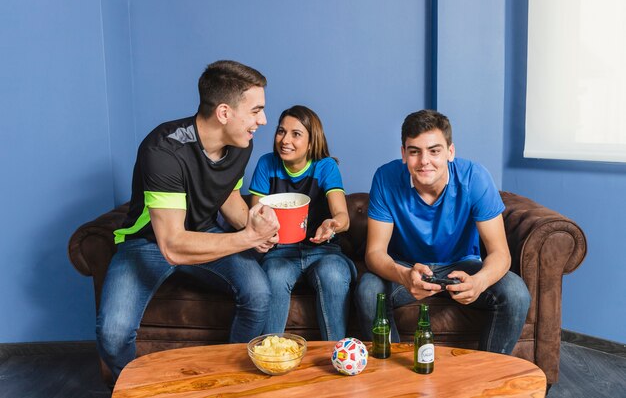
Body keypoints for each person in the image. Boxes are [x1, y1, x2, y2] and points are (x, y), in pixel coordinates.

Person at [96, 60, 280, 380]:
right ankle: (133, 388)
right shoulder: (163, 149)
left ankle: (229, 380)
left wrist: (254, 223)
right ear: (224, 113)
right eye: (255, 111)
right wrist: (247, 237)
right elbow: (173, 245)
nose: (263, 121)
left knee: (259, 294)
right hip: (149, 243)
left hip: (205, 231)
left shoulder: (241, 144)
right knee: (113, 334)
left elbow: (226, 195)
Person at [355, 109, 530, 354]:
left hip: (463, 265)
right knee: (368, 289)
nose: (424, 161)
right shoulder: (385, 177)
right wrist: (404, 275)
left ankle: (488, 382)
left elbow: (501, 253)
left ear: (450, 152)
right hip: (408, 265)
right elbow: (374, 252)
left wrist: (479, 282)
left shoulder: (476, 177)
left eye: (434, 151)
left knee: (516, 293)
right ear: (403, 154)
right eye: (415, 151)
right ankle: (395, 380)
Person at [249, 105, 357, 341]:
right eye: (280, 131)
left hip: (323, 250)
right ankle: (271, 354)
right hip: (279, 252)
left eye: (296, 134)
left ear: (311, 141)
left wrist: (332, 225)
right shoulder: (267, 164)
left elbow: (343, 217)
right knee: (274, 276)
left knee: (334, 274)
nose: (285, 140)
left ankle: (336, 354)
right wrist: (262, 232)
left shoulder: (326, 166)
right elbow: (255, 214)